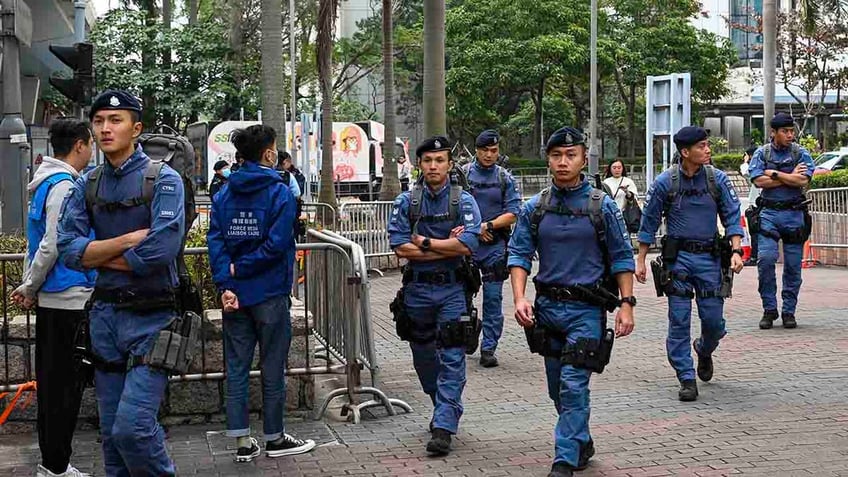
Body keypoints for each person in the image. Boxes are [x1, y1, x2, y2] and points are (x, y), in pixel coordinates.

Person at [57, 90, 184, 476]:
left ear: (136, 127)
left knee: (133, 429)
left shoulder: (164, 180)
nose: (105, 128)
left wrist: (97, 254)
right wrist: (126, 242)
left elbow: (159, 250)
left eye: (116, 120)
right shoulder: (87, 184)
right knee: (112, 436)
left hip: (153, 318)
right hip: (105, 320)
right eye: (99, 121)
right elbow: (66, 248)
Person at [508, 127, 635, 477]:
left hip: (586, 311)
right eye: (556, 156)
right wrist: (519, 298)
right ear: (548, 159)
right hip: (547, 309)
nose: (563, 162)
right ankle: (581, 439)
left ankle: (563, 459)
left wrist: (627, 305)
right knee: (556, 388)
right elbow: (518, 255)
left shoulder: (602, 205)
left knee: (573, 383)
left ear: (583, 158)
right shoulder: (535, 207)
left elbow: (622, 257)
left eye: (571, 155)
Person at [207, 124, 316, 463]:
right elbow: (278, 243)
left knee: (237, 366)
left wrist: (227, 281)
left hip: (235, 296)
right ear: (269, 153)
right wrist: (243, 269)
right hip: (268, 293)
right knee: (272, 366)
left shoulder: (223, 194)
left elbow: (216, 241)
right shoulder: (280, 193)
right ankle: (275, 437)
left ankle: (242, 442)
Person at [11, 118, 96, 477]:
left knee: (55, 383)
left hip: (55, 296)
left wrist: (31, 284)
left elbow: (37, 245)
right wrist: (30, 286)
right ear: (79, 145)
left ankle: (54, 463)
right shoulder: (64, 186)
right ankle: (56, 466)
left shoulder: (46, 184)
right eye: (90, 143)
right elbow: (52, 244)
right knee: (64, 388)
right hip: (68, 296)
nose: (92, 150)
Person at [635, 126, 745, 402]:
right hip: (679, 262)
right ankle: (686, 377)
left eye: (708, 145)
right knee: (679, 320)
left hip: (709, 260)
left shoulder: (716, 179)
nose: (708, 150)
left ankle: (704, 349)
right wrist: (640, 259)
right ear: (685, 152)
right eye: (702, 146)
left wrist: (736, 250)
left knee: (714, 322)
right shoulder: (665, 182)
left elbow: (732, 215)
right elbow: (648, 222)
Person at [387, 136, 481, 456]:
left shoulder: (463, 201)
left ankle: (443, 425)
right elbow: (400, 247)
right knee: (424, 357)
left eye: (439, 160)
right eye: (428, 161)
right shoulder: (407, 201)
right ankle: (441, 403)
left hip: (453, 290)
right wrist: (446, 247)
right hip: (416, 291)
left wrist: (425, 244)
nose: (433, 166)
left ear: (449, 164)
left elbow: (469, 245)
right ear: (420, 165)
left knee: (452, 355)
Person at [748, 113, 816, 330]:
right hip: (769, 214)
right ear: (773, 133)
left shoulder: (800, 153)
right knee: (766, 260)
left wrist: (775, 174)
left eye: (791, 131)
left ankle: (789, 311)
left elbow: (803, 180)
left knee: (794, 267)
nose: (790, 135)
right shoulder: (762, 153)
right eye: (785, 131)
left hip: (794, 215)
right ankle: (769, 309)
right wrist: (789, 176)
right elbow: (758, 181)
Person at [462, 129, 521, 367]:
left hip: (494, 246)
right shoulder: (463, 174)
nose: (489, 155)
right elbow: (456, 206)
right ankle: (467, 333)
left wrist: (488, 225)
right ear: (476, 150)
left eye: (493, 150)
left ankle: (489, 347)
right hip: (467, 245)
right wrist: (475, 228)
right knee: (462, 297)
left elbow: (513, 213)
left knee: (493, 300)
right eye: (484, 150)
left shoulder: (504, 178)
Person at [739, 146, 760, 266]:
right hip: (758, 204)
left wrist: (746, 161)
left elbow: (746, 172)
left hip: (757, 205)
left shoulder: (756, 167)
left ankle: (754, 257)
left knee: (756, 233)